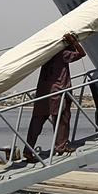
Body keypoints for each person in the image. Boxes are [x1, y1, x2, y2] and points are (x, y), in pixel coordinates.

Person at [23, 33, 86, 161]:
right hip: (58, 91)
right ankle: (61, 147)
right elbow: (81, 54)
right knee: (62, 119)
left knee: (37, 120)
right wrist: (74, 42)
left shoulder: (46, 55)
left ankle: (28, 150)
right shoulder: (63, 53)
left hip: (42, 92)